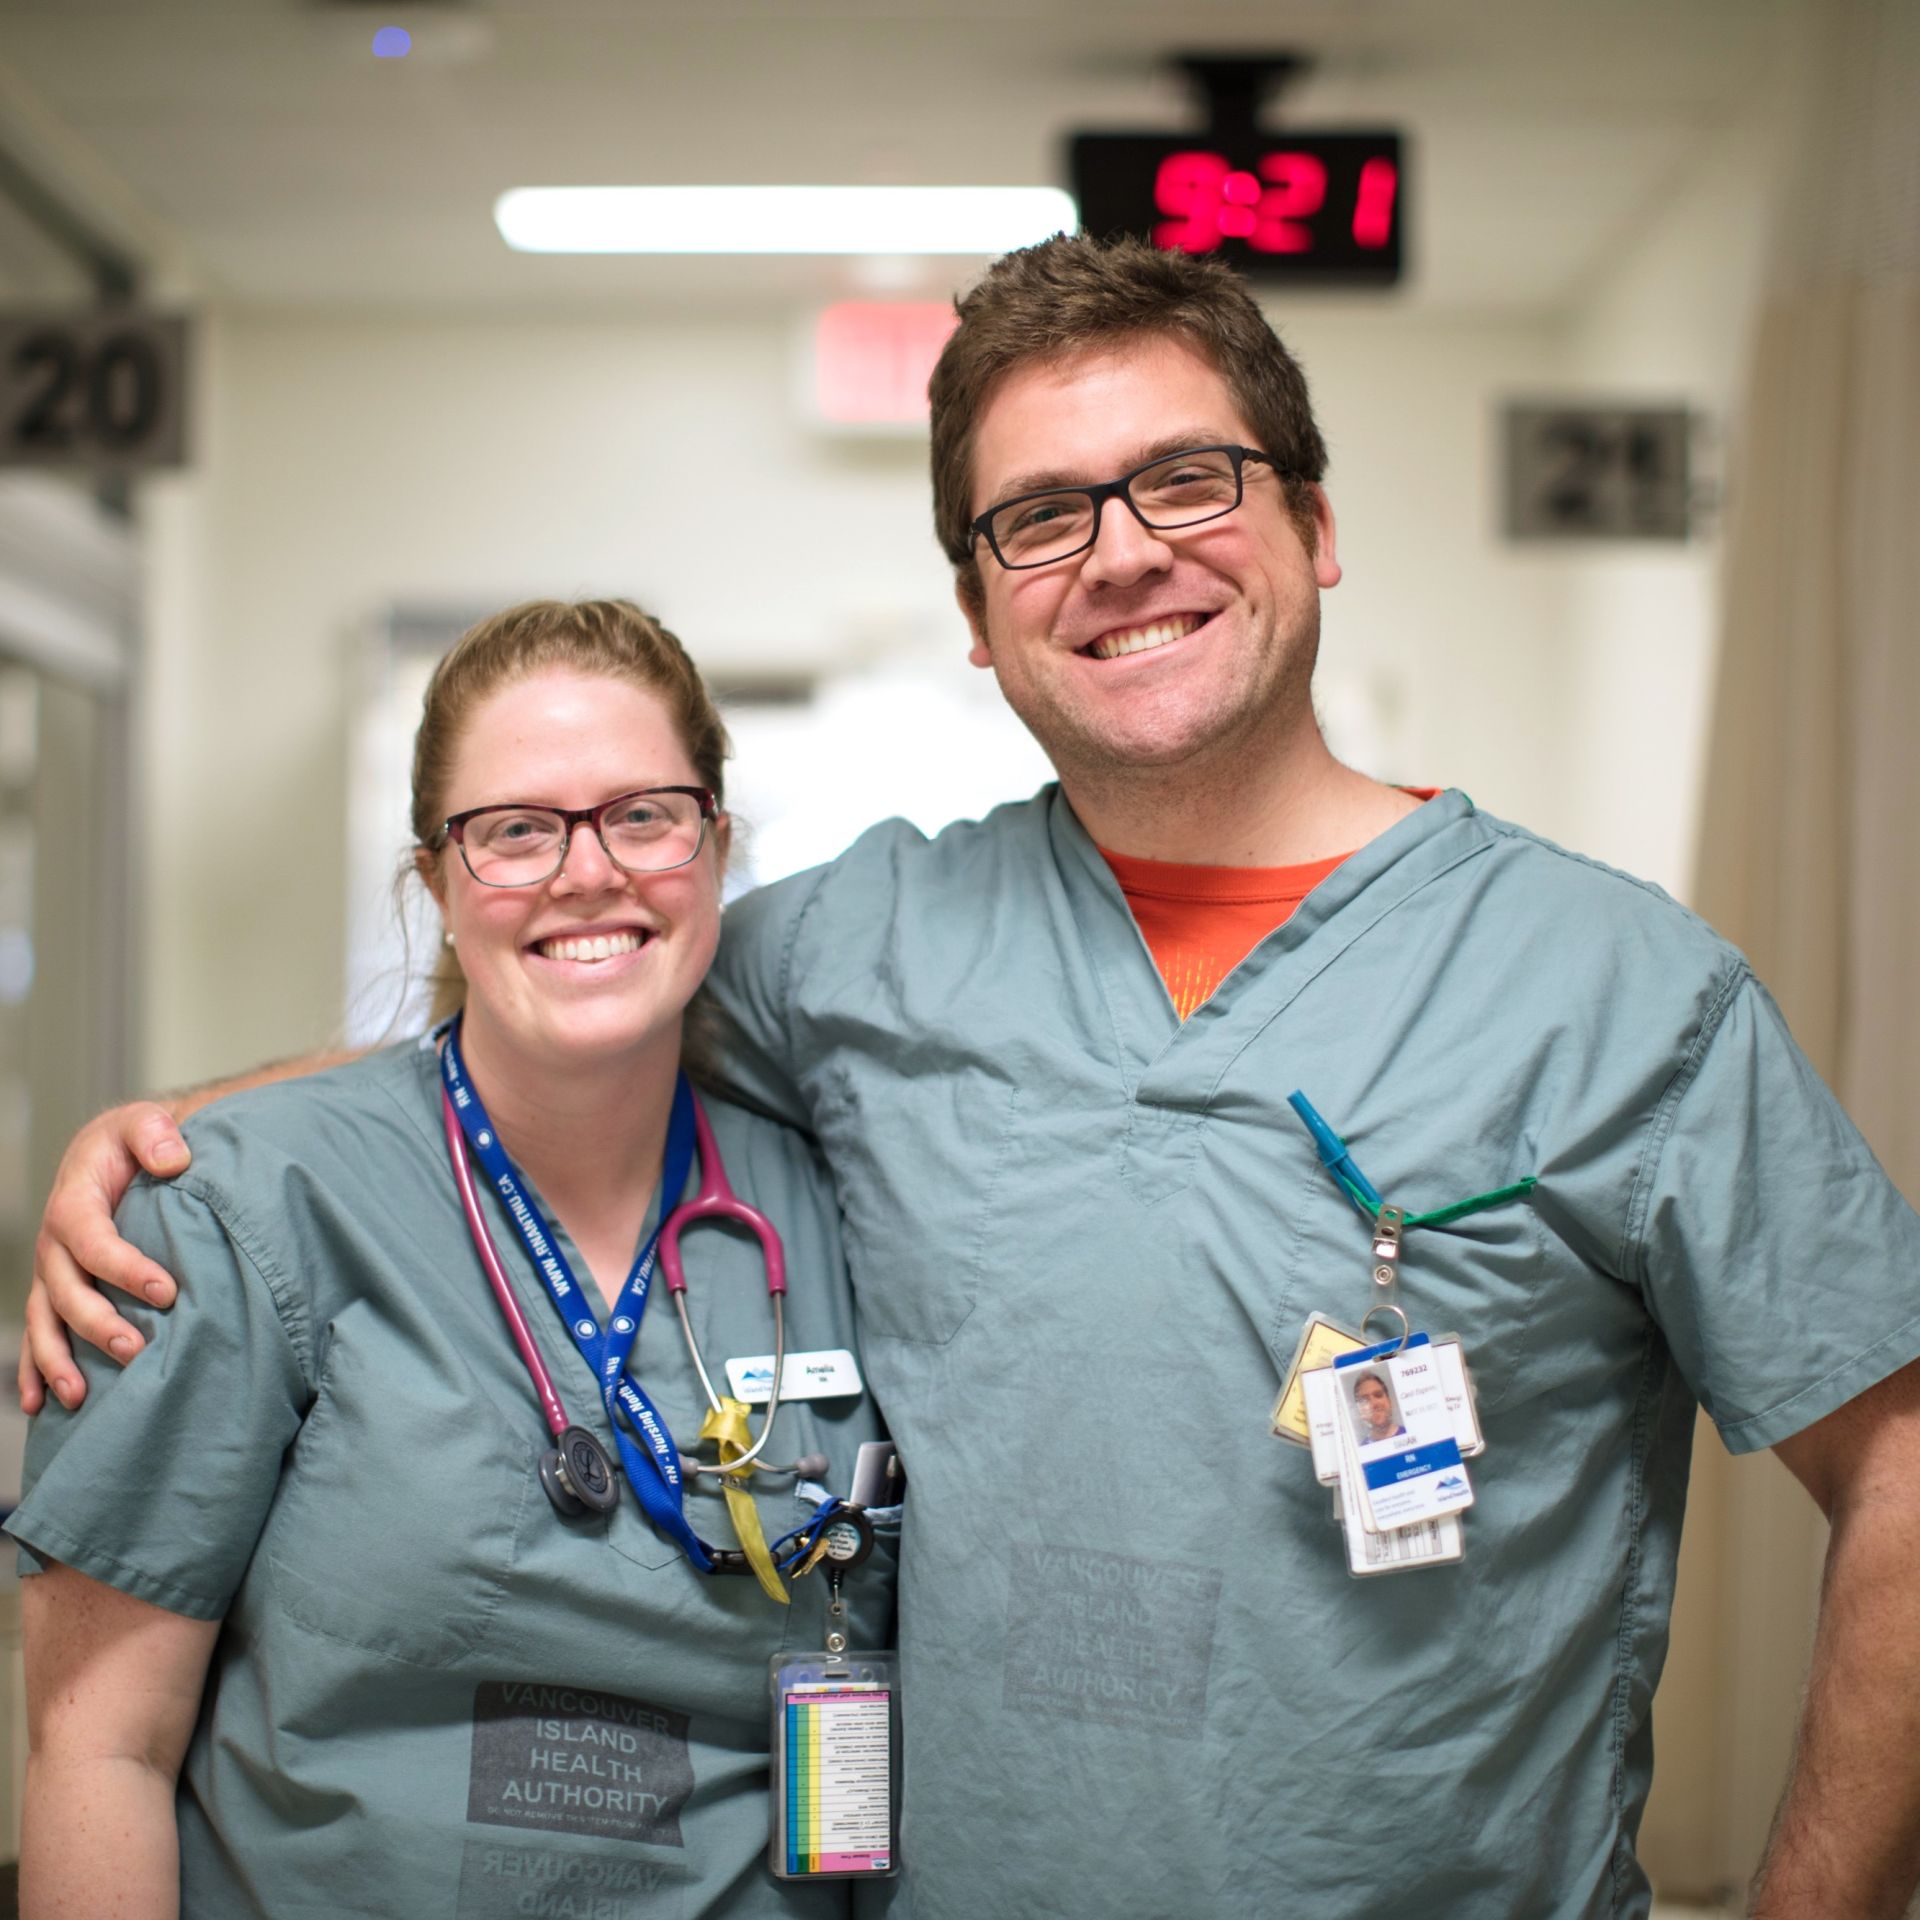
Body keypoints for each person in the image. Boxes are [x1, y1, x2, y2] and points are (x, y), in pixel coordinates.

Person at [26, 236, 1920, 1918]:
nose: (1121, 554)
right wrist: (190, 1141)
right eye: (1040, 515)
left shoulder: (1623, 994)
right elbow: (565, 998)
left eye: (1188, 478)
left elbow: (1900, 1473)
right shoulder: (873, 947)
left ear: (1317, 527)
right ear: (978, 606)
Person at [8, 599, 894, 1919]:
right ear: (434, 881)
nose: (588, 872)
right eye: (517, 831)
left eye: (643, 813)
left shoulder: (836, 1208)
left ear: (715, 847)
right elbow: (97, 1752)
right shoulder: (240, 1212)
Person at [1350, 1369, 1405, 1444]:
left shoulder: (1411, 1432)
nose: (1374, 1403)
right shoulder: (1362, 1451)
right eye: (1365, 1400)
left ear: (1389, 1401)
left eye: (1378, 1395)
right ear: (1360, 1411)